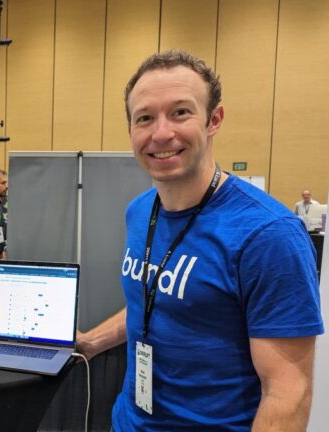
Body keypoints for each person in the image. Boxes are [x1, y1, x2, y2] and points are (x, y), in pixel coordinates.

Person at [76, 50, 323, 431]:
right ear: (131, 130)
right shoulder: (140, 211)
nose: (161, 133)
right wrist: (91, 342)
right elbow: (157, 298)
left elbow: (288, 392)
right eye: (145, 118)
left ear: (214, 120)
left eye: (180, 112)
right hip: (127, 422)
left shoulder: (269, 235)